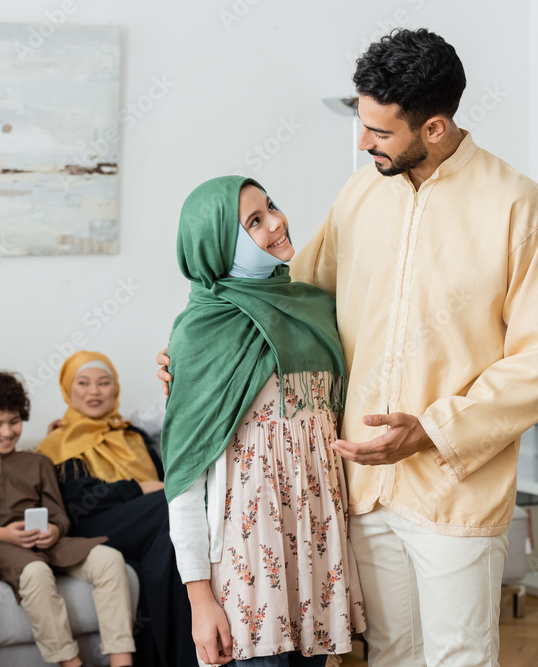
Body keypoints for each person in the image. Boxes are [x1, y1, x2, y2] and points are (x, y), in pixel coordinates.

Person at [162, 28, 538, 667]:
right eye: (362, 124)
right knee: (388, 654)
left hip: (453, 489)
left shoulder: (517, 207)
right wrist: (206, 355)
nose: (363, 143)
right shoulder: (359, 194)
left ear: (433, 128)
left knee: (458, 656)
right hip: (356, 485)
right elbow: (291, 296)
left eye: (379, 133)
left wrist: (432, 431)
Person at [162, 175, 366, 667]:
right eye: (254, 221)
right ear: (217, 248)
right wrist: (199, 598)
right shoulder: (200, 335)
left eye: (270, 206)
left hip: (317, 547)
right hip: (245, 565)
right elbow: (184, 481)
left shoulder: (315, 308)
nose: (277, 221)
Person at [0, 369, 136, 667]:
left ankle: (121, 661)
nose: (7, 432)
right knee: (35, 571)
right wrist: (4, 534)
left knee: (109, 558)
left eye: (14, 422)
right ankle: (70, 662)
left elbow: (58, 513)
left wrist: (54, 531)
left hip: (46, 544)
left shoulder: (38, 462)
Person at [37, 350, 195, 667]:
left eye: (103, 382)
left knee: (168, 545)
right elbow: (77, 499)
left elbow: (166, 480)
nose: (94, 391)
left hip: (148, 525)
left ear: (115, 389)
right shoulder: (58, 440)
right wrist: (140, 488)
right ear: (68, 389)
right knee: (169, 510)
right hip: (93, 527)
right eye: (83, 382)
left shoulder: (132, 434)